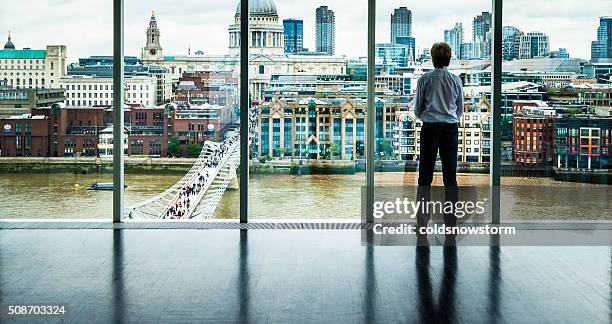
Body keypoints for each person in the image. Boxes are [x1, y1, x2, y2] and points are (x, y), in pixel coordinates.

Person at [413, 42, 463, 245]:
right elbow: (459, 109)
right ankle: (450, 225)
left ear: (432, 59)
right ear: (449, 59)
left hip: (430, 129)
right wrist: (449, 117)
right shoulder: (456, 80)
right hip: (450, 129)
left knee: (424, 178)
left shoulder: (424, 80)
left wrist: (428, 115)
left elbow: (417, 109)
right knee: (450, 178)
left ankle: (422, 224)